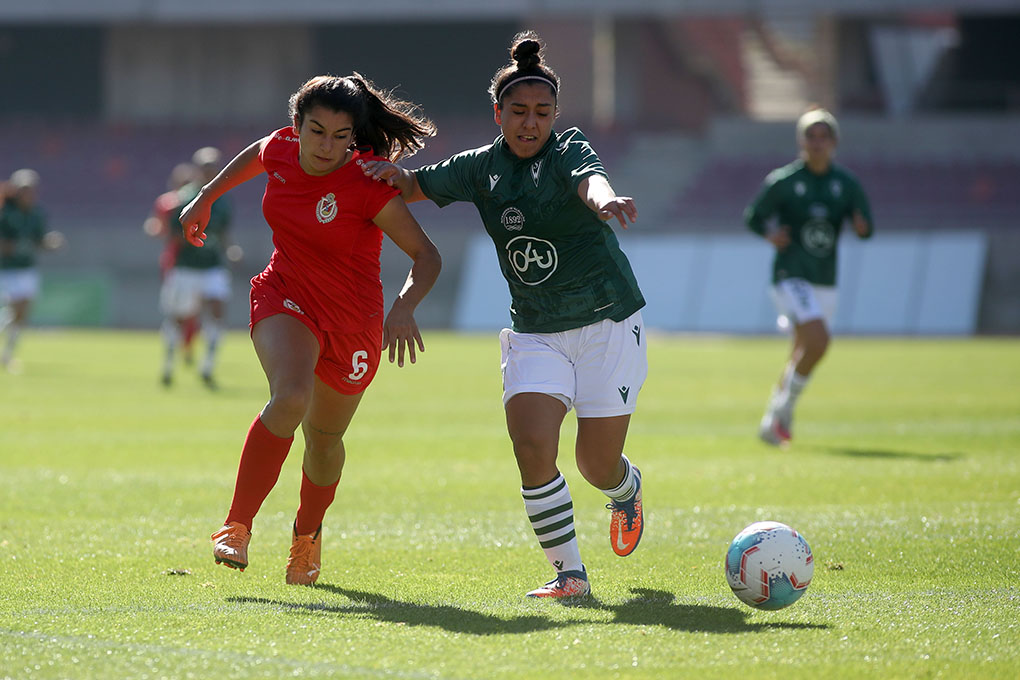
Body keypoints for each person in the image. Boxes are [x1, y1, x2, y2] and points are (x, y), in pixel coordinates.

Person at [362, 32, 646, 599]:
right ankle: (570, 576)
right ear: (498, 113)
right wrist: (379, 176)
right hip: (536, 329)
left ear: (555, 117)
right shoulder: (477, 168)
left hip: (607, 321)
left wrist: (605, 199)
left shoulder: (568, 150)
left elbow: (592, 179)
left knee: (595, 463)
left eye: (542, 112)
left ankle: (625, 489)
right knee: (533, 447)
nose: (530, 123)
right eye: (518, 111)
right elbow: (414, 184)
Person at [178, 74, 441, 585]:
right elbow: (258, 152)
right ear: (296, 126)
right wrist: (206, 197)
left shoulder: (368, 184)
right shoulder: (281, 149)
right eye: (316, 131)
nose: (326, 146)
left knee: (323, 443)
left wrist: (405, 307)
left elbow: (426, 256)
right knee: (291, 395)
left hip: (353, 323)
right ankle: (236, 525)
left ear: (354, 137)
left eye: (341, 136)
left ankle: (307, 535)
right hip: (287, 296)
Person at [744, 106, 874, 446]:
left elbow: (867, 225)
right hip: (790, 274)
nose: (817, 143)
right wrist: (770, 235)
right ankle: (784, 409)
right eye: (810, 136)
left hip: (825, 277)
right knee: (819, 341)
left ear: (834, 141)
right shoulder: (785, 181)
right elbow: (754, 216)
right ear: (801, 141)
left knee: (803, 348)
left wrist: (862, 227)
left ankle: (772, 422)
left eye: (823, 136)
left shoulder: (845, 184)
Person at [158, 148, 238, 388]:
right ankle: (169, 365)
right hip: (186, 267)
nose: (210, 171)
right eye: (206, 166)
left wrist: (231, 249)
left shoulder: (223, 199)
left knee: (217, 310)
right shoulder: (183, 198)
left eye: (214, 166)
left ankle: (207, 367)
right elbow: (173, 233)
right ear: (197, 169)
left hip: (212, 266)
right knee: (178, 319)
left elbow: (224, 231)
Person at [0, 169, 65, 371]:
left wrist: (50, 243)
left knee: (21, 314)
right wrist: (12, 246)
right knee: (14, 308)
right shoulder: (5, 212)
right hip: (5, 268)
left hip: (25, 268)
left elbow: (39, 240)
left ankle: (7, 354)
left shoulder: (36, 214)